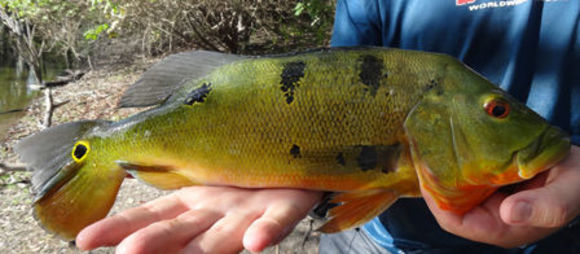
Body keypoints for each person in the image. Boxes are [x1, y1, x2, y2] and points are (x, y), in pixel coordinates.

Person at [76, 1, 580, 253]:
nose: (505, 116)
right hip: (374, 243)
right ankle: (96, 148)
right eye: (497, 111)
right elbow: (331, 76)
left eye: (498, 111)